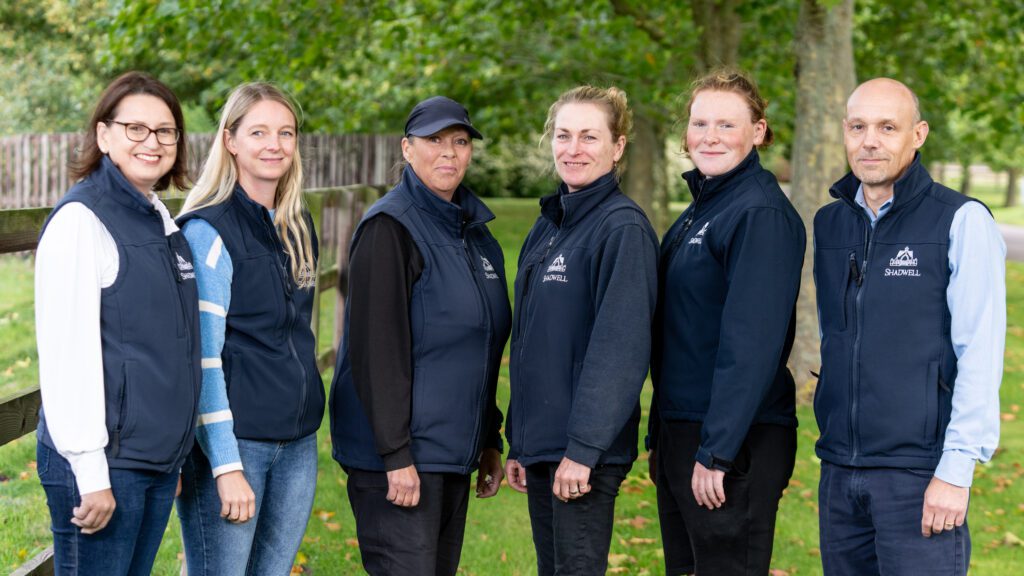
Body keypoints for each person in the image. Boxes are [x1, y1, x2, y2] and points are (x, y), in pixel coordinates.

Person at [813, 78, 1004, 575]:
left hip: (920, 475)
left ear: (918, 134)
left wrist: (956, 470)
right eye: (858, 127)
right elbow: (835, 337)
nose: (870, 140)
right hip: (840, 470)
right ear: (845, 133)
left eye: (887, 127)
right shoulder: (831, 223)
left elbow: (980, 352)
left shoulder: (961, 220)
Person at [329, 96, 511, 575]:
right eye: (434, 141)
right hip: (401, 460)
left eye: (460, 141)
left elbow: (482, 345)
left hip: (450, 453)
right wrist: (394, 455)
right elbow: (376, 353)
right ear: (407, 149)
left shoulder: (474, 233)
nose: (448, 152)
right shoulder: (390, 228)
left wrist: (489, 437)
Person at [34, 71, 200, 574]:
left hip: (150, 460)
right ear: (104, 136)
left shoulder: (159, 218)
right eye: (135, 128)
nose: (152, 142)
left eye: (165, 131)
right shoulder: (81, 221)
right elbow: (67, 358)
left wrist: (171, 454)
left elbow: (169, 343)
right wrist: (91, 473)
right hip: (105, 465)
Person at [648, 70, 805, 575]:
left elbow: (751, 345)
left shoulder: (758, 212)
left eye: (726, 124)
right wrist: (663, 434)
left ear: (757, 132)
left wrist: (716, 450)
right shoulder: (705, 206)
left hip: (734, 446)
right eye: (699, 123)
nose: (709, 136)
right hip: (686, 430)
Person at [504, 85, 659, 575]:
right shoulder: (551, 223)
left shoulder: (621, 229)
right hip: (545, 444)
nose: (573, 149)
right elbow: (533, 341)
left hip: (583, 454)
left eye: (589, 137)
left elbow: (621, 348)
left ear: (617, 148)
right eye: (564, 135)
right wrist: (520, 441)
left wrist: (584, 451)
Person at [175, 82, 324, 575]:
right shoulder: (208, 232)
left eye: (286, 132)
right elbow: (203, 359)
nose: (274, 144)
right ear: (231, 140)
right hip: (238, 446)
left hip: (297, 443)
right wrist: (225, 465)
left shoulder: (296, 225)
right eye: (258, 131)